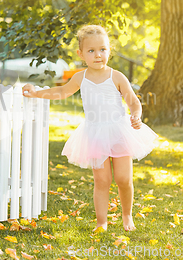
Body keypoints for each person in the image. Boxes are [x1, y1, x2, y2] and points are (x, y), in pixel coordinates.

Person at [22, 24, 158, 232]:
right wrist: (36, 93)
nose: (98, 55)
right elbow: (61, 91)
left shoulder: (117, 76)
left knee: (123, 178)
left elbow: (134, 102)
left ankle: (127, 214)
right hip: (95, 133)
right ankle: (101, 222)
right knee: (102, 180)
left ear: (109, 50)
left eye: (102, 49)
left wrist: (136, 116)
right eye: (91, 51)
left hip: (119, 131)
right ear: (81, 54)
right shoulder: (80, 77)